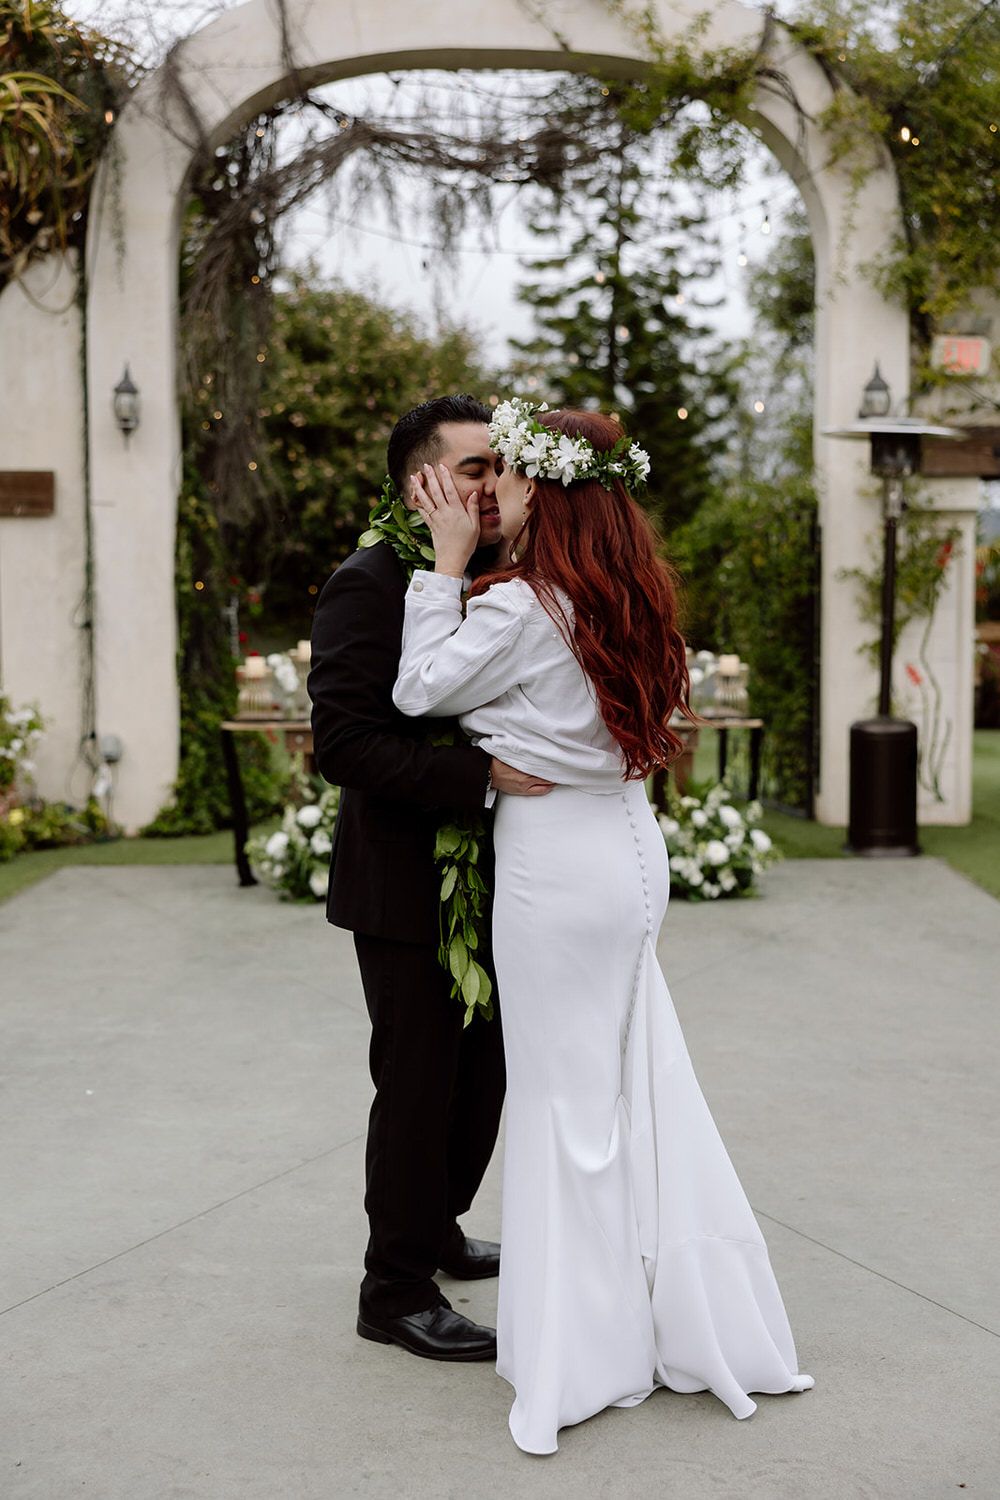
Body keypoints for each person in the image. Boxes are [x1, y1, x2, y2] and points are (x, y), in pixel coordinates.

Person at [391, 403, 814, 1453]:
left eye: (510, 475)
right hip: (626, 854)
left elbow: (415, 689)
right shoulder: (627, 596)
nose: (495, 493)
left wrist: (443, 566)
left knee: (563, 1106)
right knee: (634, 1089)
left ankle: (580, 1354)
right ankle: (652, 1320)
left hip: (557, 871)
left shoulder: (521, 605)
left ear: (544, 488)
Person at [308, 395, 553, 1364]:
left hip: (500, 878)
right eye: (472, 468)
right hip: (406, 887)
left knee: (483, 1080)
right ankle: (394, 1289)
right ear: (418, 482)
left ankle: (438, 1228)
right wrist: (478, 775)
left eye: (501, 468)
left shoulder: (498, 575)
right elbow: (345, 745)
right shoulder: (367, 582)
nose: (492, 485)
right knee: (417, 1087)